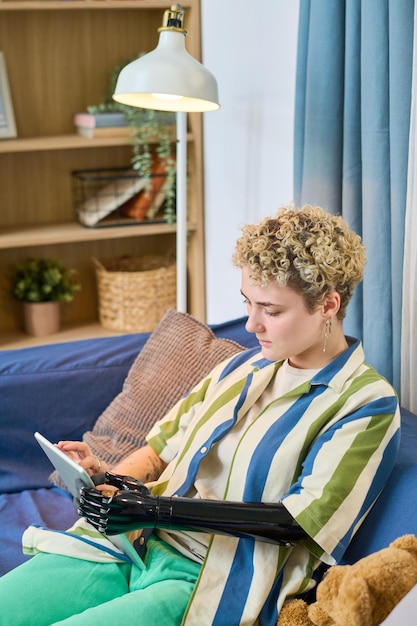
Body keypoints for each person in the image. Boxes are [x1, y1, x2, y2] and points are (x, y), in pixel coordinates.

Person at [0, 205, 400, 626]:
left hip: (206, 582)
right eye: (248, 303)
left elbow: (297, 522)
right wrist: (109, 480)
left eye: (272, 310)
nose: (251, 324)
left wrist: (154, 509)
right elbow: (158, 451)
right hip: (128, 545)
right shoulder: (239, 369)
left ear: (327, 305)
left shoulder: (365, 404)